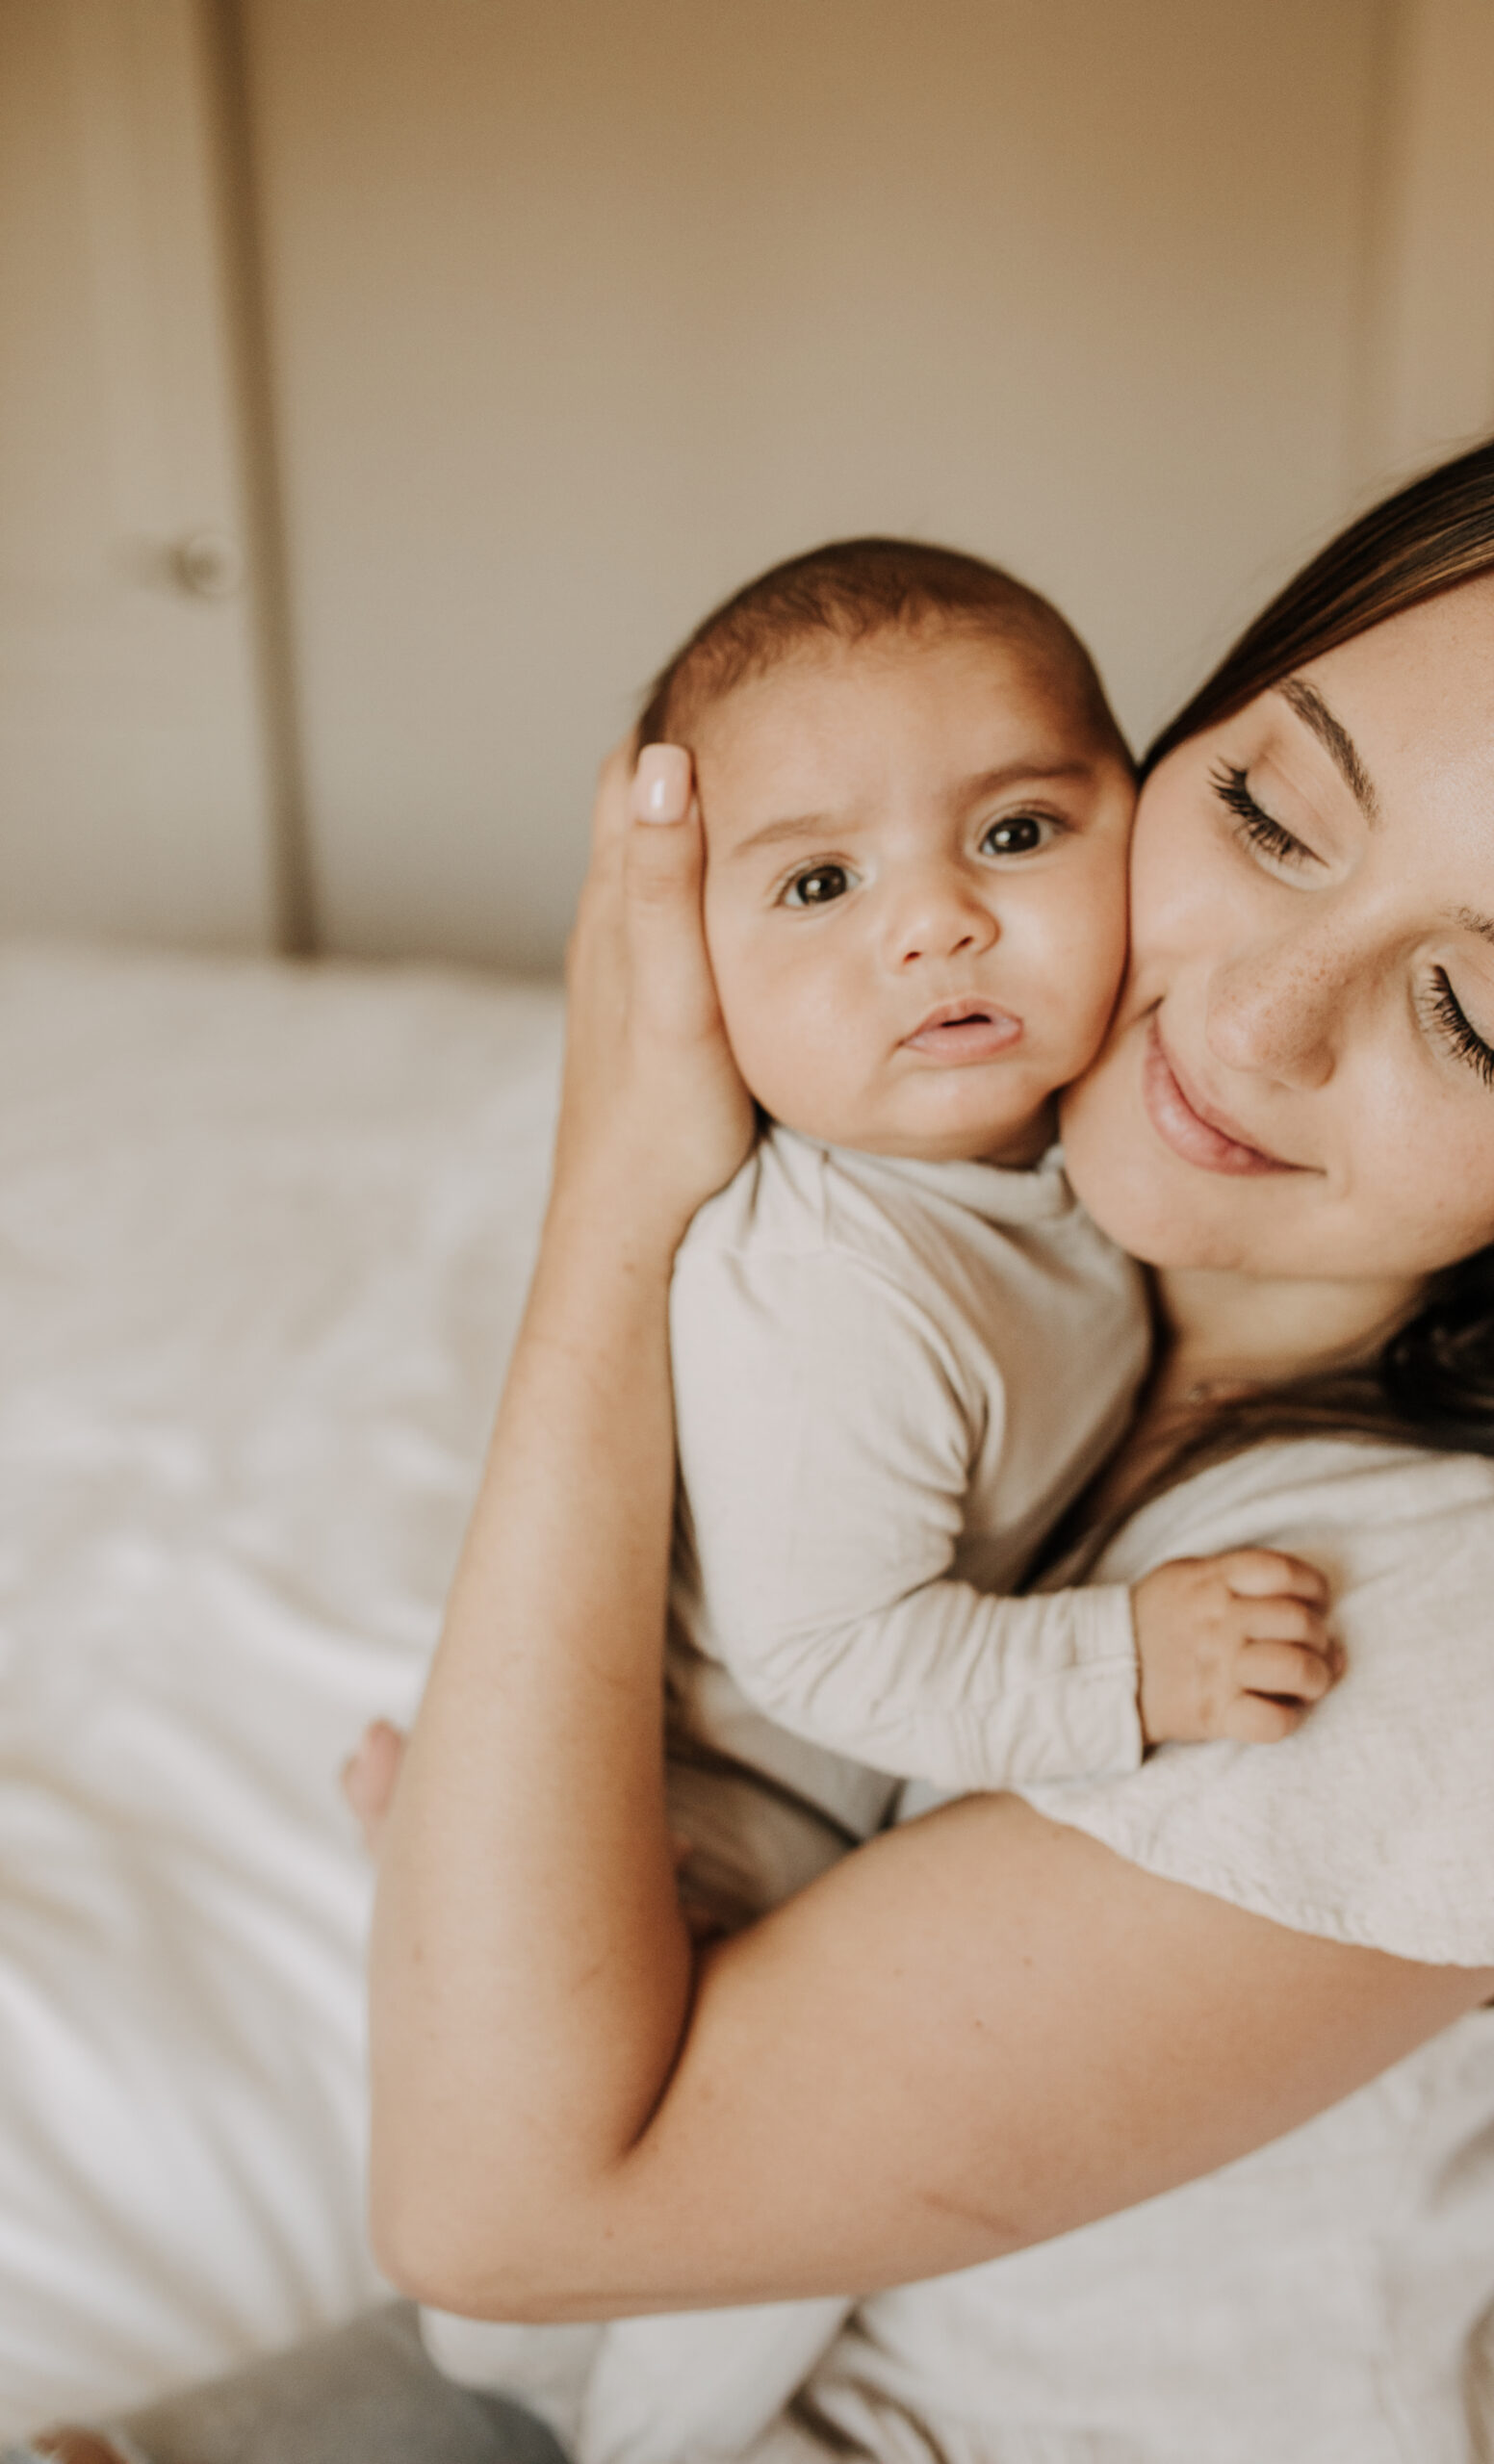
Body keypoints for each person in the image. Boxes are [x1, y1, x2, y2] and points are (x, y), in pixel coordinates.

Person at [29, 386, 1494, 2464]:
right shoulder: (975, 1217)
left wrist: (614, 1186)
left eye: (1471, 1019)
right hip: (638, 2360)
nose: (1244, 1024)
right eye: (1260, 815)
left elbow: (502, 2195)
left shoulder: (1493, 1642)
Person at [391, 538, 1334, 2461]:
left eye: (1013, 832)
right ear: (693, 980)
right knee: (733, 2261)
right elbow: (822, 1650)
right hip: (721, 1817)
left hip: (756, 1764)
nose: (934, 928)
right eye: (818, 882)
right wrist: (1118, 1665)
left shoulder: (1066, 1145)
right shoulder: (838, 1272)